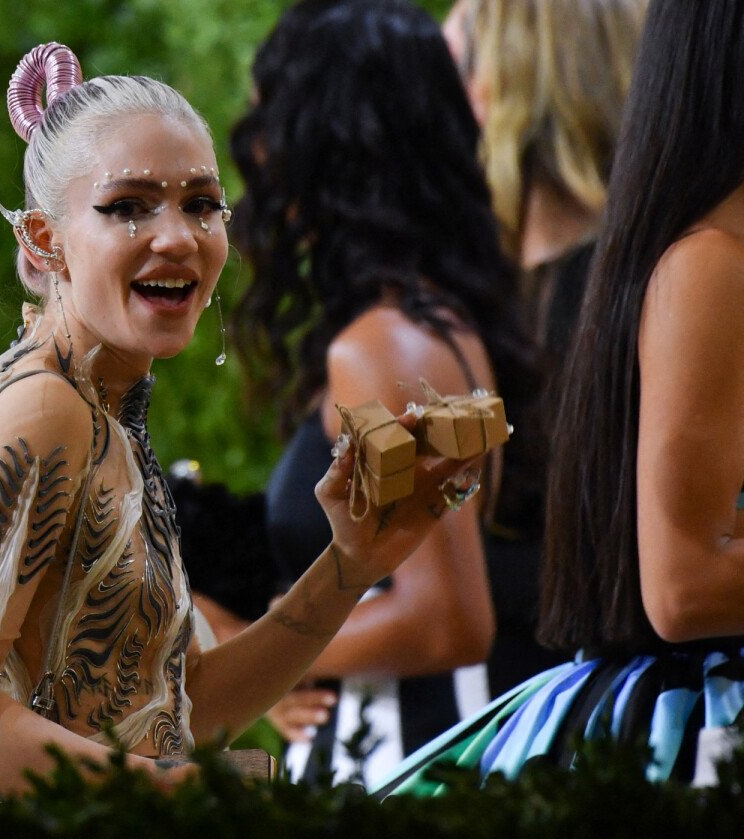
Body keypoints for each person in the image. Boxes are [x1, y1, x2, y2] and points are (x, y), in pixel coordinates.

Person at [0, 42, 474, 795]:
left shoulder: (103, 407)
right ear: (44, 241)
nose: (179, 235)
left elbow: (180, 707)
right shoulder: (46, 408)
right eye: (128, 206)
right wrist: (183, 791)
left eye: (201, 203)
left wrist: (350, 568)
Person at [376, 0, 744, 796]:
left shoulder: (623, 274)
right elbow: (672, 582)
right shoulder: (697, 266)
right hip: (678, 718)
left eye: (459, 65)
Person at [194, 0, 539, 787]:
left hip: (413, 765)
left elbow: (446, 617)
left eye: (270, 120)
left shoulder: (381, 346)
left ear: (327, 145)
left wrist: (250, 652)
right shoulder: (430, 317)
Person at [439, 0, 649, 702]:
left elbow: (607, 566)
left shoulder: (625, 295)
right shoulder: (477, 290)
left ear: (508, 83)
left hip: (595, 719)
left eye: (451, 68)